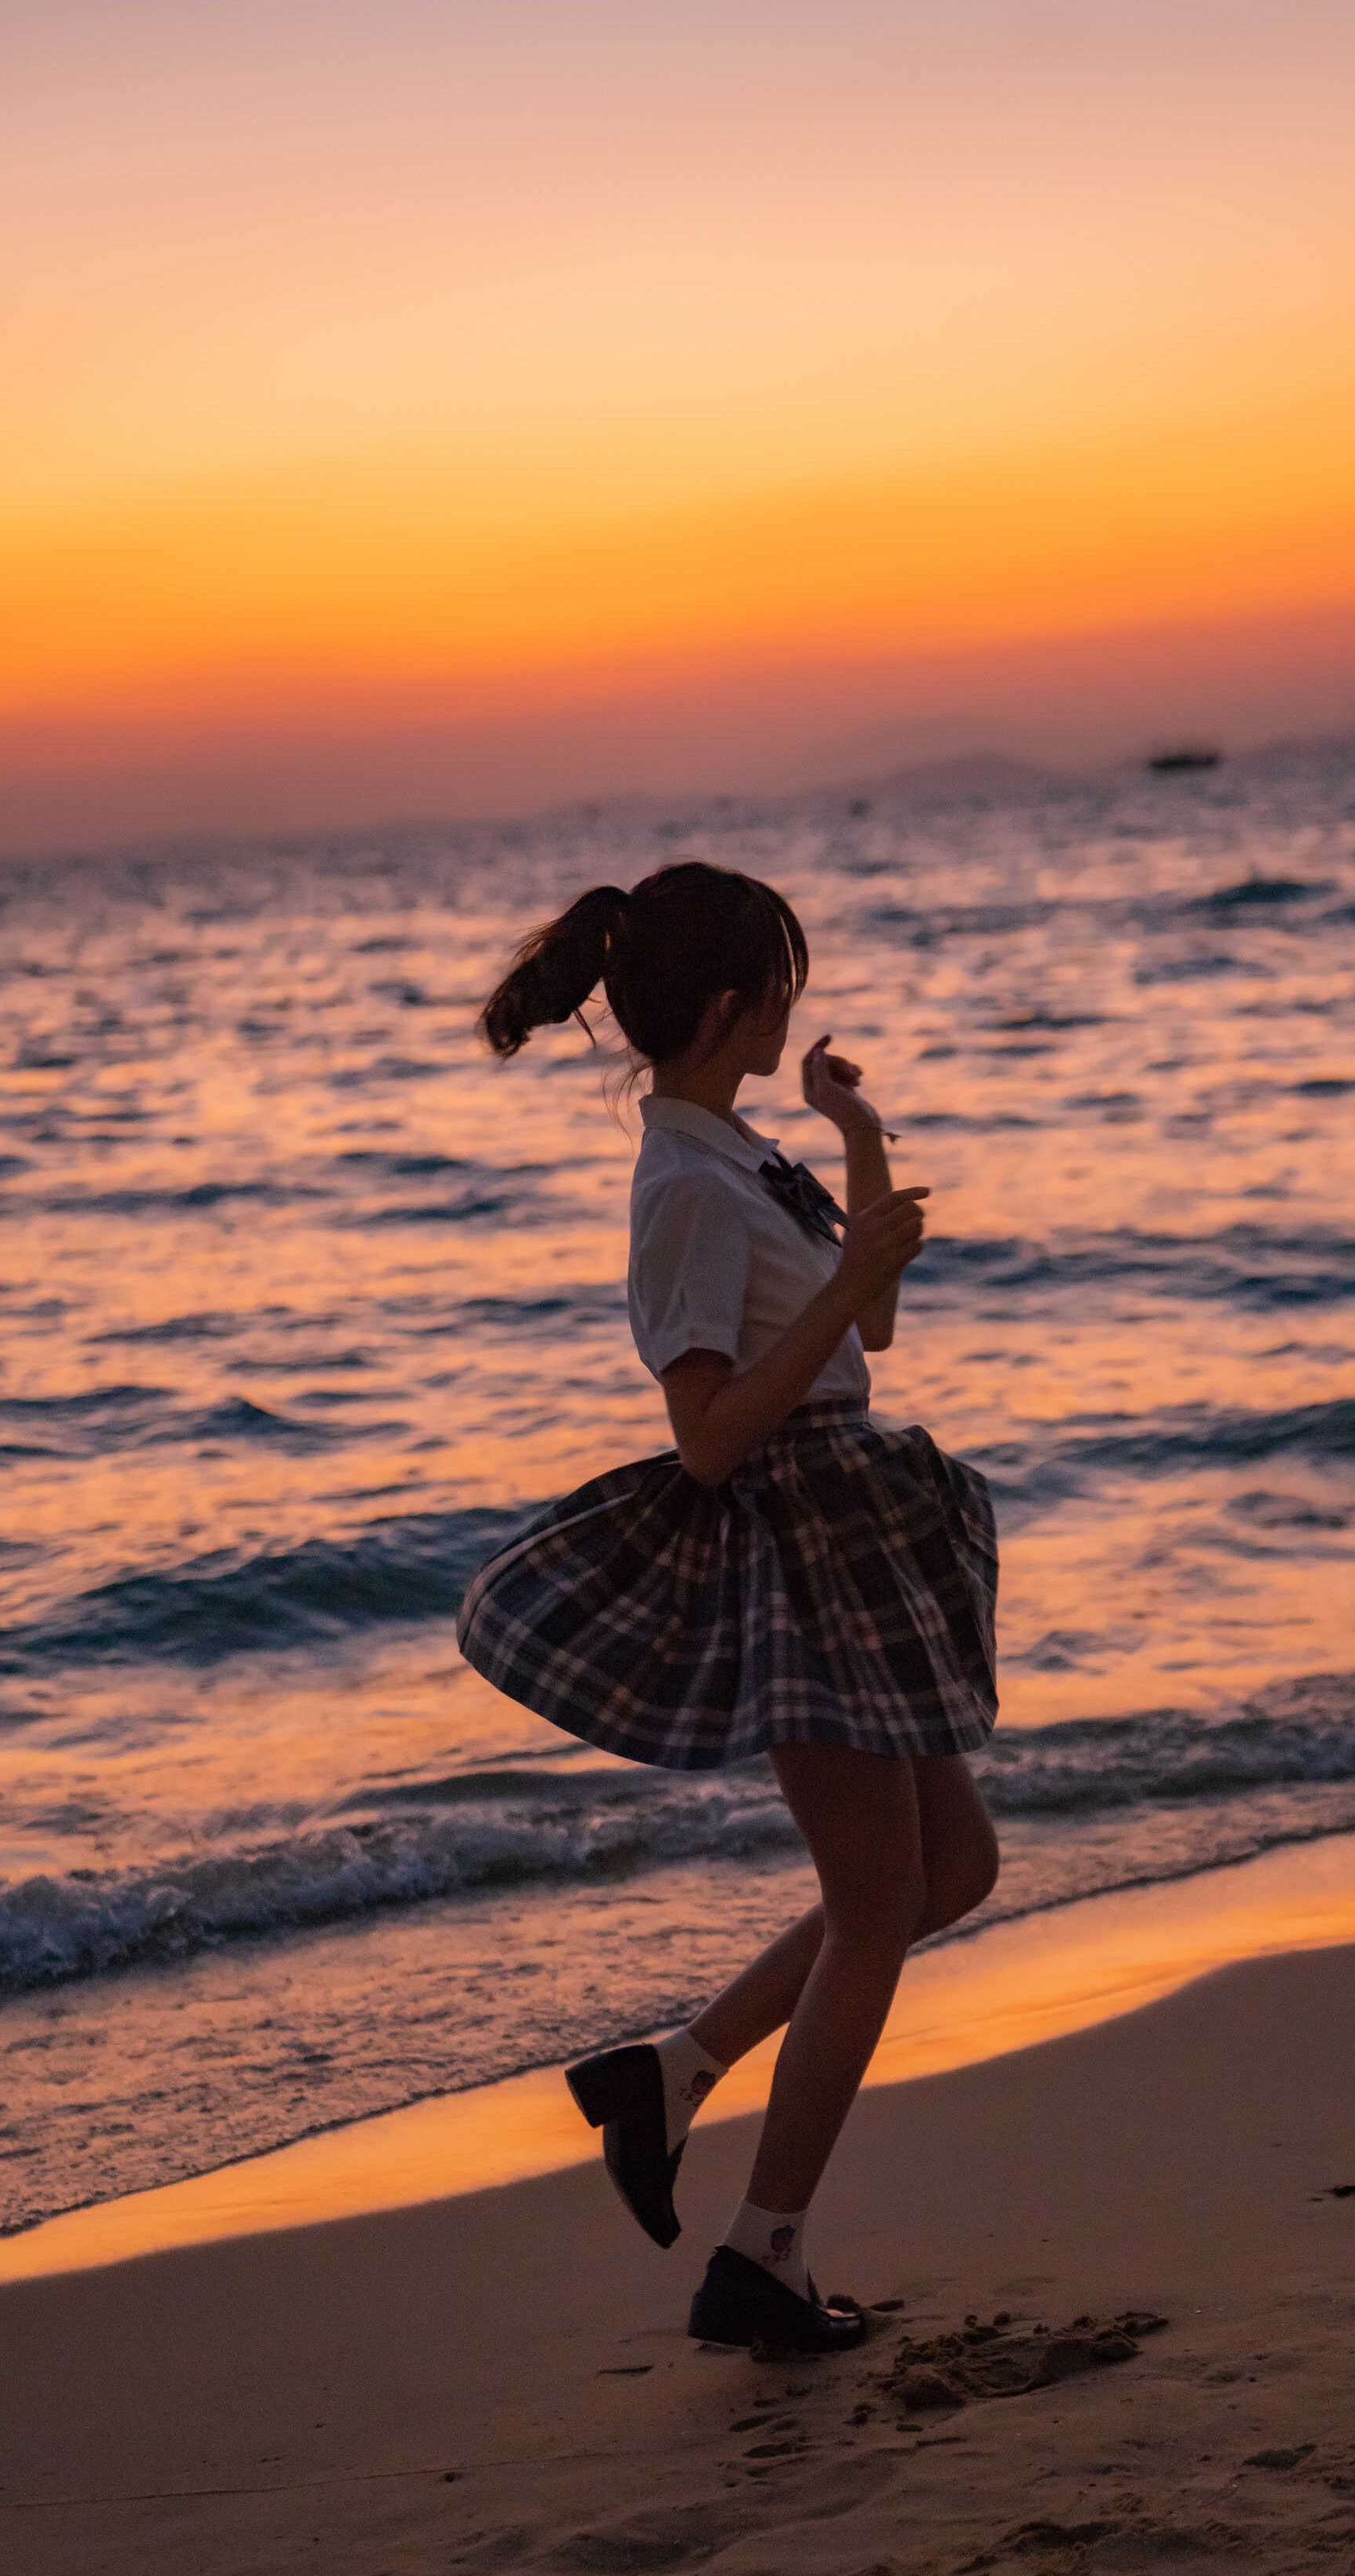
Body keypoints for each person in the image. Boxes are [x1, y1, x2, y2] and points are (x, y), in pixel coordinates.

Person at [458, 862, 1000, 2352]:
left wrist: (858, 1142)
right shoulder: (683, 1189)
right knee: (880, 1904)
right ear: (724, 1005)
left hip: (854, 1523)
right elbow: (704, 1437)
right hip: (798, 1543)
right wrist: (840, 1287)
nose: (791, 1003)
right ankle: (761, 2257)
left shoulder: (740, 1151)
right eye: (779, 982)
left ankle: (672, 2075)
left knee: (950, 1868)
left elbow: (870, 1321)